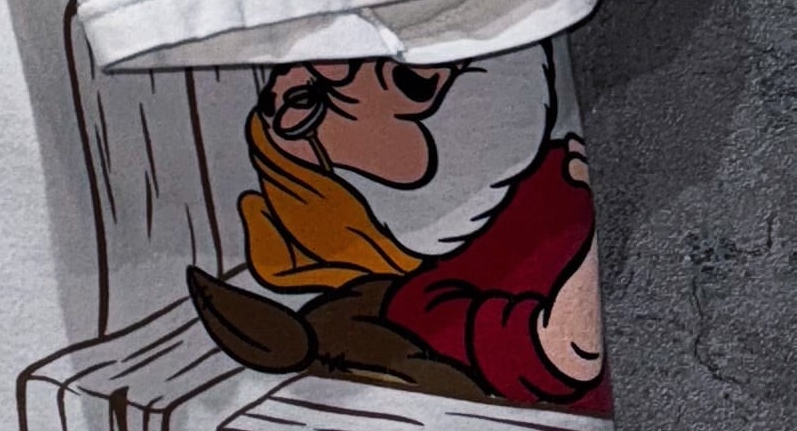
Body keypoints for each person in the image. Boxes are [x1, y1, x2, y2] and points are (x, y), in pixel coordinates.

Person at [186, 47, 609, 410]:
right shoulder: (424, 299)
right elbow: (566, 352)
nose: (336, 70)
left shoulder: (529, 156)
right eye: (307, 101)